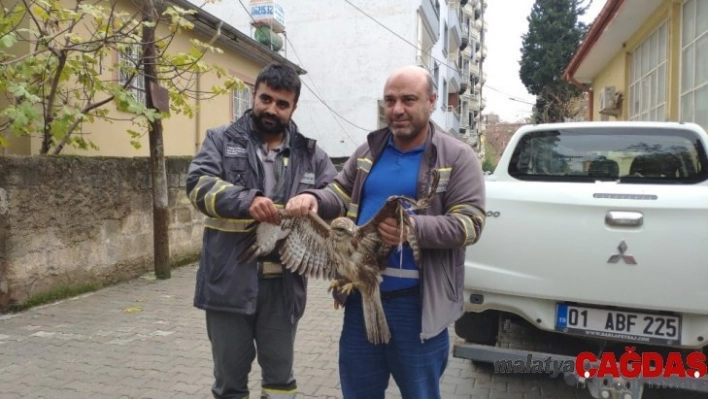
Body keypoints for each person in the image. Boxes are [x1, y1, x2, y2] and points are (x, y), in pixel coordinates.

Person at [285, 65, 486, 399]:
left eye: (408, 99)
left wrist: (413, 228)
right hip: (362, 302)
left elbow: (471, 223)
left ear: (432, 101)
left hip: (419, 307)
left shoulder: (457, 156)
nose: (397, 109)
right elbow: (338, 192)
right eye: (390, 100)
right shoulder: (367, 152)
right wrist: (313, 198)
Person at [186, 62, 337, 399]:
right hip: (229, 284)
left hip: (283, 290)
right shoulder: (220, 141)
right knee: (229, 385)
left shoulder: (311, 154)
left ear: (293, 108)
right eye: (266, 99)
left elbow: (337, 195)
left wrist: (313, 197)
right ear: (253, 95)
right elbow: (197, 185)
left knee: (280, 382)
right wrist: (245, 200)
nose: (272, 109)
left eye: (282, 104)